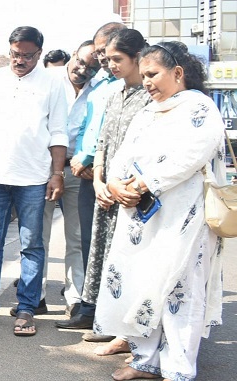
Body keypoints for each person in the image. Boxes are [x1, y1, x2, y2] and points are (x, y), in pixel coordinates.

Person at [94, 41, 224, 381]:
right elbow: (122, 155)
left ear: (177, 73)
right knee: (142, 284)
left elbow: (192, 156)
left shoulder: (200, 108)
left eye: (154, 74)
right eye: (145, 74)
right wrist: (115, 184)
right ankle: (145, 361)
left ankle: (179, 369)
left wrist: (141, 185)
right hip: (141, 218)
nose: (148, 81)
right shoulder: (148, 111)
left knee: (180, 288)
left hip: (184, 217)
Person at [0, 26, 68, 336]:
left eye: (27, 55)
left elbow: (59, 132)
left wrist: (56, 173)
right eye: (14, 54)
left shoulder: (52, 84)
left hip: (34, 178)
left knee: (32, 245)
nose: (19, 60)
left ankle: (26, 309)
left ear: (39, 52)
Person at [57, 30, 152, 356]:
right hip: (105, 190)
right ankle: (105, 321)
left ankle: (131, 331)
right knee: (102, 256)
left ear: (138, 56)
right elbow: (102, 143)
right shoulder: (113, 94)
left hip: (133, 194)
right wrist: (99, 181)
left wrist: (123, 185)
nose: (109, 65)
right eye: (107, 59)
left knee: (131, 261)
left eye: (116, 59)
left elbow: (149, 151)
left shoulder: (151, 96)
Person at [61, 22, 127, 341]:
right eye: (99, 52)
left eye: (106, 52)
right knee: (90, 244)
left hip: (113, 178)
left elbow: (114, 132)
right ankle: (92, 310)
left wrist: (92, 165)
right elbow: (91, 126)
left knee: (114, 250)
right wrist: (85, 161)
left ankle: (109, 317)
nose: (101, 58)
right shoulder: (99, 82)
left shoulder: (130, 84)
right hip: (91, 175)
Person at [38, 40, 100, 317]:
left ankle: (75, 298)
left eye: (92, 66)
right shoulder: (49, 81)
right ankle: (33, 295)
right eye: (81, 61)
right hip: (43, 166)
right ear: (72, 55)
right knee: (38, 235)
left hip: (78, 169)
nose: (83, 69)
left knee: (76, 237)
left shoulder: (100, 88)